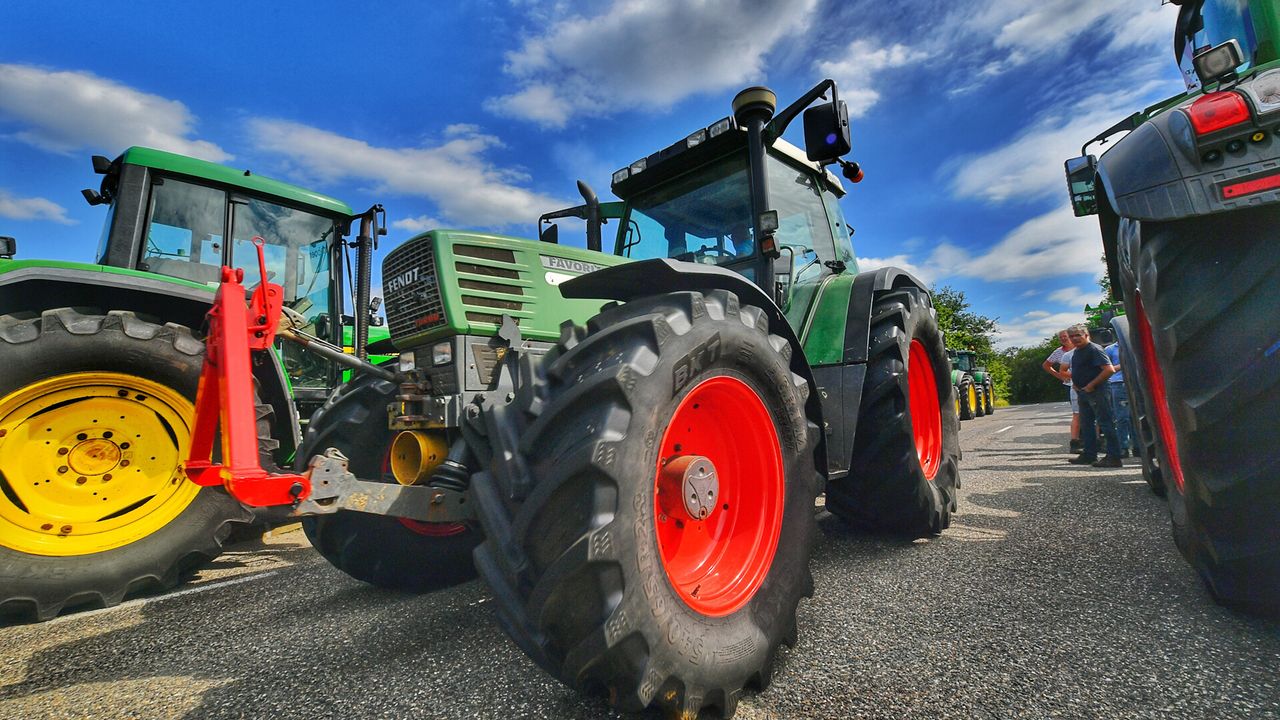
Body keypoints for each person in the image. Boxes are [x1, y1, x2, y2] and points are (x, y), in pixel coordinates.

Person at [1064, 324, 1122, 468]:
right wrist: (1077, 386)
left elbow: (1109, 370)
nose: (1075, 338)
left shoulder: (1094, 349)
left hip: (1098, 391)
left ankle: (1114, 457)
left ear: (1086, 335)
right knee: (1087, 424)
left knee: (1106, 423)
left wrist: (1091, 385)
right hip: (1083, 392)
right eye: (1072, 336)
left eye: (1078, 335)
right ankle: (1089, 455)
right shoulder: (1077, 351)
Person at [1043, 330, 1081, 451]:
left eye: (1065, 336)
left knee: (1087, 413)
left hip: (1085, 382)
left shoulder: (1080, 348)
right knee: (1078, 413)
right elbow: (1046, 365)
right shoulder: (1059, 352)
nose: (1063, 339)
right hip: (1070, 385)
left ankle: (1089, 439)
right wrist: (1060, 376)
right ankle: (1078, 441)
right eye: (1061, 338)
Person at [1104, 340, 1137, 458]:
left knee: (1136, 416)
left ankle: (1138, 446)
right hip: (1118, 383)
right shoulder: (1110, 349)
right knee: (1122, 417)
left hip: (1136, 382)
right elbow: (1105, 368)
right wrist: (1123, 364)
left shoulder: (1135, 344)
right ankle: (1123, 447)